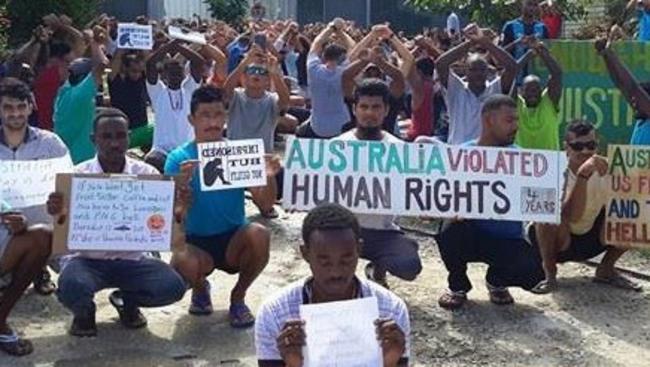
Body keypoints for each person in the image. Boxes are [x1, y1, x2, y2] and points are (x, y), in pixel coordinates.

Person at [48, 107, 187, 337]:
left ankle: (127, 301)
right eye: (107, 136)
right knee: (71, 285)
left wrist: (180, 209)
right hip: (87, 261)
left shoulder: (149, 175)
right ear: (94, 139)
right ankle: (84, 312)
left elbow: (168, 227)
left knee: (172, 286)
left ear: (129, 137)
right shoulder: (76, 177)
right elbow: (61, 229)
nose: (114, 143)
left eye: (120, 136)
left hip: (133, 260)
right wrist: (57, 211)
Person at [165, 85, 272, 328]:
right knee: (181, 259)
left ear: (225, 117)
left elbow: (266, 204)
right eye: (205, 115)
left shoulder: (239, 154)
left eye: (218, 115)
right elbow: (172, 217)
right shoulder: (178, 159)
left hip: (234, 237)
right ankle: (201, 287)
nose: (212, 122)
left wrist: (269, 175)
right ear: (192, 119)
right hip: (196, 241)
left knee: (260, 234)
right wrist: (182, 197)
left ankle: (238, 296)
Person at [255, 203, 410, 366]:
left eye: (346, 259)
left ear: (359, 249)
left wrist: (389, 361)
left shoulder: (391, 309)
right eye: (324, 261)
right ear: (305, 253)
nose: (336, 272)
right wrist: (293, 363)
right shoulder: (275, 313)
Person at [434, 94, 545, 310]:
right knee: (449, 229)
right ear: (488, 121)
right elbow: (444, 197)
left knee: (534, 274)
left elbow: (537, 202)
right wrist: (448, 211)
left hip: (507, 238)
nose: (516, 126)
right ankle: (458, 285)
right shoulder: (461, 155)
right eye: (509, 120)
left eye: (517, 120)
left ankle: (497, 280)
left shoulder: (524, 161)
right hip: (471, 234)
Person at [529, 120, 642, 293]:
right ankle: (549, 274)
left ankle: (606, 269)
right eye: (578, 146)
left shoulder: (609, 166)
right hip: (556, 241)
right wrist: (583, 175)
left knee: (637, 211)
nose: (586, 151)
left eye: (591, 145)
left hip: (590, 236)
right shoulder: (553, 169)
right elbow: (570, 216)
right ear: (566, 147)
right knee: (546, 216)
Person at [337, 79, 422, 288]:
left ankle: (378, 268)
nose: (369, 113)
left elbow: (418, 193)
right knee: (311, 243)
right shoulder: (335, 148)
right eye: (364, 107)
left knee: (409, 265)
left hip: (383, 232)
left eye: (376, 107)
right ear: (354, 109)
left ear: (386, 110)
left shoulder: (401, 150)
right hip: (343, 229)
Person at [0, 78, 70, 296]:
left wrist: (60, 203)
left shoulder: (51, 143)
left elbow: (70, 186)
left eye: (21, 106)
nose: (15, 113)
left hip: (49, 230)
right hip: (4, 228)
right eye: (8, 107)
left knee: (74, 282)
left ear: (31, 107)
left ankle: (40, 268)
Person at [223, 45, 290, 218]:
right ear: (243, 78)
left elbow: (285, 101)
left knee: (267, 207)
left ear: (268, 81)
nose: (257, 75)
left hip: (262, 163)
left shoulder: (272, 100)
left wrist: (275, 72)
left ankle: (262, 200)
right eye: (252, 71)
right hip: (234, 160)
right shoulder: (236, 96)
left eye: (262, 73)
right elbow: (225, 91)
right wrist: (244, 62)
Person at [436, 25, 517, 145]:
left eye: (482, 69)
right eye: (473, 69)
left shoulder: (495, 89)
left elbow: (512, 67)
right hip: (458, 155)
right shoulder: (456, 89)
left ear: (488, 71)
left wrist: (485, 42)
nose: (478, 73)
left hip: (487, 155)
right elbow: (441, 64)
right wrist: (471, 42)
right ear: (465, 71)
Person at [144, 38, 206, 172]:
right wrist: (169, 45)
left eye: (179, 72)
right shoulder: (158, 91)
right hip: (162, 152)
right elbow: (150, 64)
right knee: (152, 161)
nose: (176, 75)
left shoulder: (190, 89)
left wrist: (179, 47)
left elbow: (199, 62)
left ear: (184, 74)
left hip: (187, 150)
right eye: (172, 72)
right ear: (164, 75)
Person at [53, 28, 108, 164]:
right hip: (80, 161)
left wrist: (92, 44)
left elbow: (83, 62)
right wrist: (93, 41)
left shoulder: (64, 92)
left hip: (63, 160)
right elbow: (102, 64)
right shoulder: (81, 95)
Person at [295, 18, 355, 138]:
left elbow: (316, 43)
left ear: (323, 57)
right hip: (342, 126)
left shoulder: (313, 69)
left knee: (299, 131)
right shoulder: (345, 70)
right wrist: (341, 32)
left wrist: (331, 28)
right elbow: (353, 46)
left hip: (317, 127)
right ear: (342, 58)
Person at [595, 32, 650, 145]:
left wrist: (611, 54)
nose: (633, 102)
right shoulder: (642, 122)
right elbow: (620, 83)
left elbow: (633, 88)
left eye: (637, 100)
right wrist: (606, 56)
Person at [512, 37, 563, 150]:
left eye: (536, 90)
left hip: (550, 164)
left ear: (542, 90)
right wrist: (528, 55)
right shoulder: (517, 106)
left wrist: (540, 51)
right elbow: (511, 74)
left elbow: (557, 74)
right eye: (528, 90)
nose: (532, 94)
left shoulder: (548, 102)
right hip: (522, 164)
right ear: (521, 92)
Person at [108, 50, 152, 150]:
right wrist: (121, 48)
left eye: (139, 71)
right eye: (134, 71)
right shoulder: (116, 82)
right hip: (124, 132)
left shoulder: (141, 79)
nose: (137, 74)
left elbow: (148, 61)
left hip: (142, 129)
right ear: (125, 68)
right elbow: (116, 62)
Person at [501, 0, 549, 79]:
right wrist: (517, 42)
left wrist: (539, 46)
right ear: (522, 5)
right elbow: (501, 52)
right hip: (515, 78)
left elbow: (549, 52)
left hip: (537, 80)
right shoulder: (510, 26)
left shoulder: (543, 28)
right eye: (529, 4)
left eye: (535, 5)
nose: (532, 8)